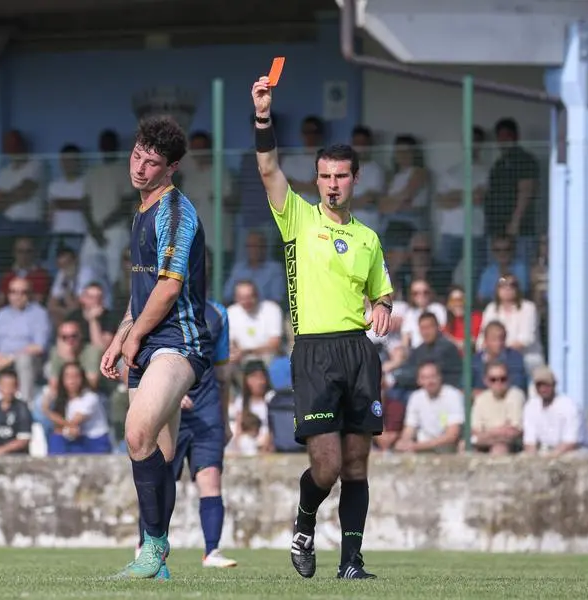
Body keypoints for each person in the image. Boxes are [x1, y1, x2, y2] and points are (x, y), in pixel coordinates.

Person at [250, 76, 393, 580]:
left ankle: (351, 562)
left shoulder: (369, 239)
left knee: (357, 465)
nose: (333, 184)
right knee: (327, 466)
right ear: (316, 179)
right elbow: (267, 167)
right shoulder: (297, 218)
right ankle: (305, 520)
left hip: (359, 352)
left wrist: (384, 306)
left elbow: (382, 291)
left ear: (355, 180)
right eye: (325, 176)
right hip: (313, 351)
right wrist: (263, 116)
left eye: (341, 176)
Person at [99, 115, 211, 581]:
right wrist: (120, 335)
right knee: (158, 457)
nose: (140, 168)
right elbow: (141, 291)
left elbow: (167, 289)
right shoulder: (141, 211)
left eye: (153, 163)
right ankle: (156, 561)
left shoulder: (175, 213)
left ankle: (152, 546)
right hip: (146, 344)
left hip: (178, 344)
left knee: (136, 432)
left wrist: (137, 336)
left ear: (173, 168)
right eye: (137, 157)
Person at [136, 251, 237, 567]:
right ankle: (146, 546)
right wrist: (169, 392)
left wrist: (224, 417)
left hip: (206, 410)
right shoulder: (161, 310)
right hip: (172, 408)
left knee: (210, 477)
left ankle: (212, 551)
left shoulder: (217, 313)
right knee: (161, 477)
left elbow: (222, 374)